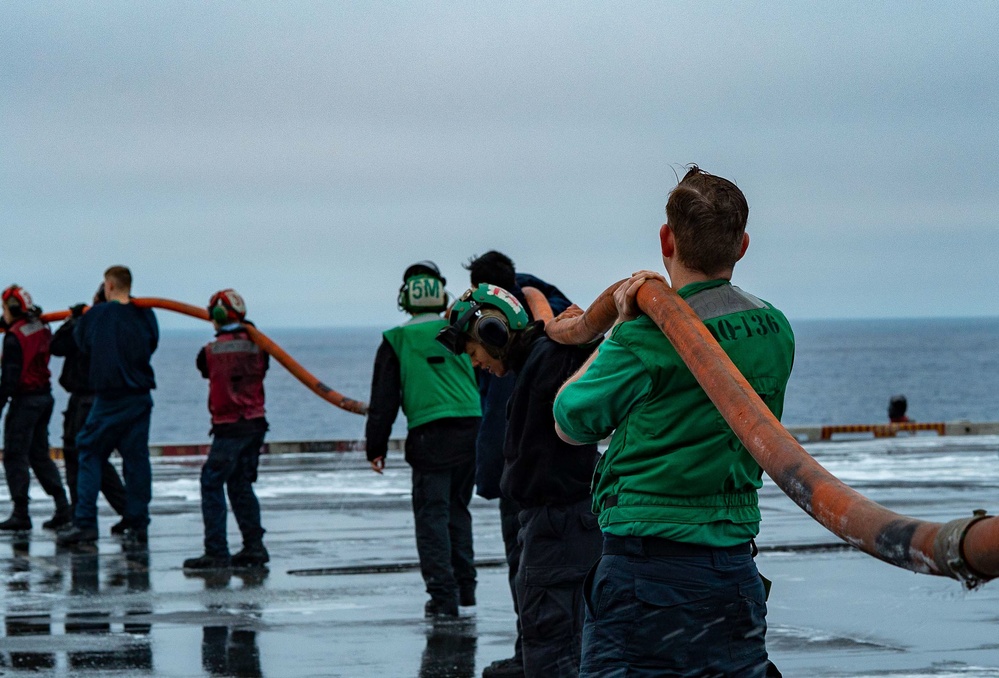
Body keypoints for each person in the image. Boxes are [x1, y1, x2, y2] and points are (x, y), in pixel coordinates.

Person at [553, 166, 794, 677]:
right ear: (743, 245)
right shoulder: (775, 328)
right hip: (733, 569)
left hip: (645, 573)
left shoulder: (644, 338)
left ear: (666, 238)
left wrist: (620, 328)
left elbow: (570, 419)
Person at [437, 283, 602, 678]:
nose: (475, 363)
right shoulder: (542, 360)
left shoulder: (548, 360)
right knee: (571, 644)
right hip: (564, 525)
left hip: (557, 529)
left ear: (493, 333)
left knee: (551, 649)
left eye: (473, 352)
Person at [463, 250, 572, 678]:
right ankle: (539, 651)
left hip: (526, 470)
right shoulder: (550, 311)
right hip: (560, 467)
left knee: (526, 567)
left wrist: (491, 479)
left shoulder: (506, 333)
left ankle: (531, 654)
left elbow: (495, 409)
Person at [365, 261, 482, 617]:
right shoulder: (461, 329)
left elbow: (383, 400)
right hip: (471, 427)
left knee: (431, 518)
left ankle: (442, 597)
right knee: (458, 512)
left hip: (430, 434)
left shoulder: (396, 339)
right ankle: (466, 590)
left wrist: (376, 447)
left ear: (405, 298)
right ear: (440, 293)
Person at [59, 265, 158, 547]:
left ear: (109, 286)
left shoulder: (98, 315)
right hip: (140, 395)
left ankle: (86, 522)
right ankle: (138, 521)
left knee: (88, 451)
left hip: (110, 396)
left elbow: (83, 344)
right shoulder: (146, 313)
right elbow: (152, 343)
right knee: (136, 459)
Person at [183, 289, 270, 570]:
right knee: (241, 484)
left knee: (211, 482)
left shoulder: (210, 352)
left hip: (229, 426)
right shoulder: (260, 346)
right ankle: (254, 547)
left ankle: (216, 551)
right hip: (256, 424)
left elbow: (205, 369)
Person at [49, 284, 128, 535]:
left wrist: (73, 321)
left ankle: (83, 518)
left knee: (81, 457)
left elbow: (57, 346)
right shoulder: (122, 325)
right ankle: (126, 512)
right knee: (96, 459)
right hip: (102, 397)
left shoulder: (90, 324)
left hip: (86, 398)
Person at [0, 285, 72, 531]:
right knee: (39, 454)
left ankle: (21, 512)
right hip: (44, 398)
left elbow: (9, 378)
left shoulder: (13, 338)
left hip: (25, 400)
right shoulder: (39, 326)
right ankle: (63, 505)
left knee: (14, 455)